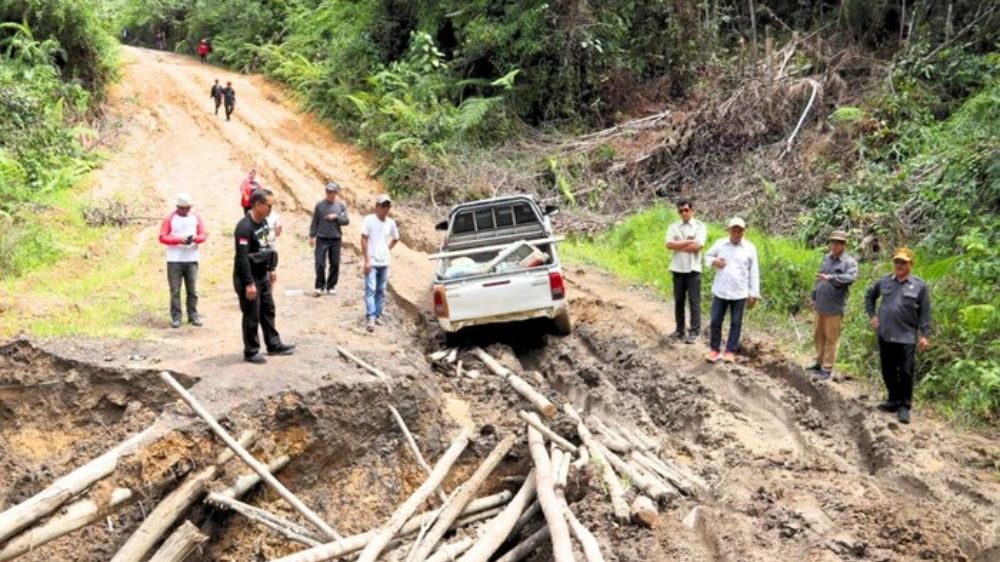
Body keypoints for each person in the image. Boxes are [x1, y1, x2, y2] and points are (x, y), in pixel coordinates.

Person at [864, 247, 931, 424]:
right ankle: (893, 400)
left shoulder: (919, 286)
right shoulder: (885, 281)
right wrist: (872, 316)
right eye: (897, 262)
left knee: (906, 372)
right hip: (886, 334)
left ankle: (904, 405)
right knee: (888, 370)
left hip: (906, 336)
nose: (899, 265)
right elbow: (869, 296)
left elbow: (925, 312)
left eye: (903, 262)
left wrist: (925, 334)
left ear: (911, 264)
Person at [233, 189, 295, 364]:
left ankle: (273, 344)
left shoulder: (264, 223)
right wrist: (249, 283)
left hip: (262, 274)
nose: (271, 208)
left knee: (268, 309)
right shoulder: (244, 227)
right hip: (248, 276)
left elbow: (268, 247)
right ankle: (251, 351)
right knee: (251, 314)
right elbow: (242, 258)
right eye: (269, 205)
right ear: (258, 205)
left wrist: (271, 269)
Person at [704, 217, 760, 363]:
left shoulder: (750, 248)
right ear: (729, 230)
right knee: (716, 320)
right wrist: (714, 261)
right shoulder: (720, 244)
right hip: (721, 290)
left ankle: (730, 351)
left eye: (739, 231)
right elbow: (707, 256)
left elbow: (754, 272)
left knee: (736, 323)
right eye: (734, 230)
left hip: (739, 292)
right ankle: (714, 349)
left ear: (743, 231)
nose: (736, 233)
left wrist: (753, 294)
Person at [808, 230, 859, 380]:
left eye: (839, 242)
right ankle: (818, 362)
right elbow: (819, 278)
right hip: (820, 304)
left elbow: (850, 278)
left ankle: (827, 367)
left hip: (834, 306)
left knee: (831, 338)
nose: (835, 245)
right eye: (833, 242)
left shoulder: (849, 263)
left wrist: (830, 277)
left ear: (844, 245)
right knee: (818, 335)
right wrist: (813, 296)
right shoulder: (826, 259)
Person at [158, 194, 208, 328]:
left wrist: (195, 239)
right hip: (174, 259)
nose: (185, 210)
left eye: (187, 208)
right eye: (182, 208)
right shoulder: (170, 218)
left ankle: (193, 315)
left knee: (192, 289)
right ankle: (176, 317)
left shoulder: (196, 218)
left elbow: (203, 235)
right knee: (175, 290)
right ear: (177, 207)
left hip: (191, 258)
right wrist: (178, 240)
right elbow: (162, 237)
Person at [664, 198, 707, 344]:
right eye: (681, 211)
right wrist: (688, 241)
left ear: (692, 210)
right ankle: (679, 330)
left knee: (694, 302)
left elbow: (698, 247)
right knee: (679, 301)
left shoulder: (699, 226)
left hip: (693, 269)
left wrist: (679, 245)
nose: (684, 213)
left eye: (686, 210)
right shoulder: (673, 227)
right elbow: (669, 245)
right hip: (677, 268)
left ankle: (694, 332)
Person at [361, 194, 399, 332]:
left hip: (384, 261)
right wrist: (367, 260)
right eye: (383, 206)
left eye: (387, 206)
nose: (385, 208)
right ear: (377, 206)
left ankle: (377, 315)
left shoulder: (390, 223)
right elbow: (364, 238)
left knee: (381, 290)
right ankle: (370, 316)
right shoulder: (369, 220)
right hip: (372, 260)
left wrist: (387, 249)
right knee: (370, 289)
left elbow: (396, 238)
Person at [309, 181, 350, 296]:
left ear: (335, 193)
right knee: (320, 263)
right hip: (322, 238)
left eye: (331, 191)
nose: (329, 193)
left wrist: (336, 217)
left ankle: (331, 286)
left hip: (335, 238)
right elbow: (315, 221)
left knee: (335, 263)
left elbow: (346, 221)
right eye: (327, 191)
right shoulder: (319, 205)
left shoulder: (340, 206)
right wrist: (312, 235)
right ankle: (319, 286)